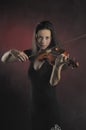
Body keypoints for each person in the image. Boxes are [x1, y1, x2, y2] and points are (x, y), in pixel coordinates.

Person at [1, 21, 69, 130]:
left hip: (50, 110)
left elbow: (53, 82)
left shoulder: (55, 57)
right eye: (40, 37)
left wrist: (57, 66)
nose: (43, 41)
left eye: (47, 38)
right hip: (34, 110)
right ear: (36, 38)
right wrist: (12, 52)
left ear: (52, 38)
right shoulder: (30, 54)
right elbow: (4, 60)